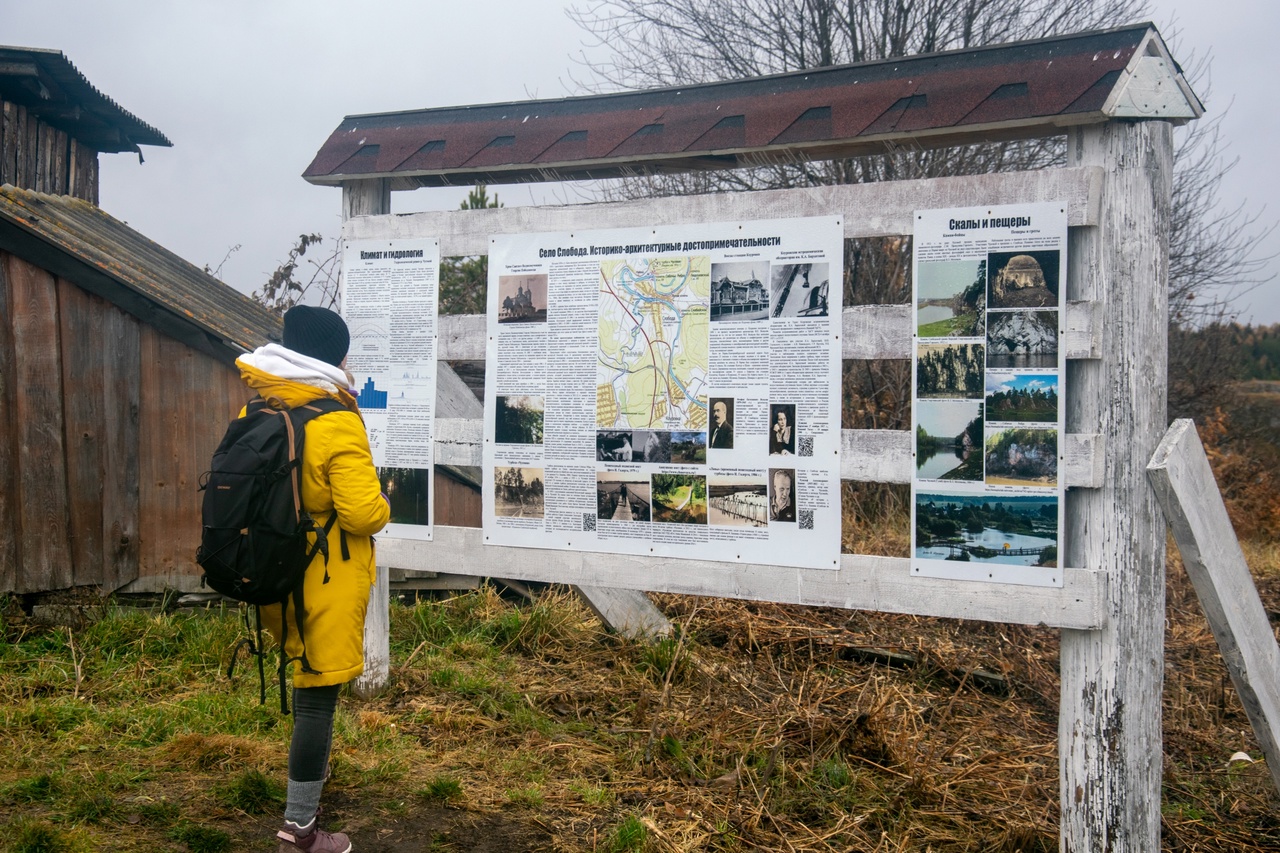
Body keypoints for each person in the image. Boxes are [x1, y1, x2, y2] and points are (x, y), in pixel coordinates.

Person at [235, 305, 390, 853]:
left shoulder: (258, 405)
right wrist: (386, 500)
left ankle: (310, 789)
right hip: (324, 578)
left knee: (308, 687)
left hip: (276, 572)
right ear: (332, 356)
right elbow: (362, 515)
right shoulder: (336, 419)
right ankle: (299, 831)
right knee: (318, 698)